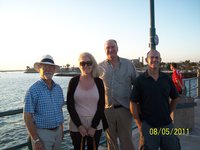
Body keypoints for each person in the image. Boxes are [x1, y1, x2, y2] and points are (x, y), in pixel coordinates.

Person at [130, 50, 181, 150]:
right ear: (146, 60)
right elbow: (133, 102)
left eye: (157, 57)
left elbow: (175, 98)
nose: (154, 59)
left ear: (160, 60)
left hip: (167, 125)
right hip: (148, 126)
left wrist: (168, 112)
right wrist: (139, 124)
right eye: (152, 57)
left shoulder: (166, 78)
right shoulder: (140, 80)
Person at [99, 39, 138, 150]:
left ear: (117, 48)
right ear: (104, 50)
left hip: (125, 110)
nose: (111, 50)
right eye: (108, 48)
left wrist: (137, 105)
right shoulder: (99, 67)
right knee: (111, 143)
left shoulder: (128, 64)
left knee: (127, 141)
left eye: (113, 47)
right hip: (107, 111)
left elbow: (137, 85)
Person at [67, 52, 108, 150]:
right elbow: (70, 105)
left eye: (88, 63)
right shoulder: (73, 81)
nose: (86, 65)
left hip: (95, 124)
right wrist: (79, 126)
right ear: (79, 65)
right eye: (82, 63)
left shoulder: (99, 82)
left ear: (93, 64)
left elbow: (101, 105)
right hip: (76, 124)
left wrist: (94, 126)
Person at [23, 55, 65, 150]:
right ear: (40, 69)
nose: (48, 69)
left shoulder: (58, 89)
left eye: (51, 67)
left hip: (58, 132)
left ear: (54, 70)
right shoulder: (33, 90)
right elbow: (27, 116)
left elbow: (60, 110)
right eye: (45, 66)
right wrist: (36, 140)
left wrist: (61, 130)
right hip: (42, 134)